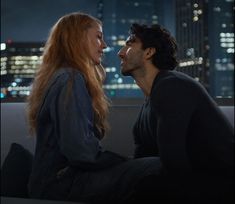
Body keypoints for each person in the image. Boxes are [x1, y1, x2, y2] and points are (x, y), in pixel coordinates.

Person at [27, 12, 165, 204]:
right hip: (62, 185)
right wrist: (125, 162)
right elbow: (82, 153)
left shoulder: (62, 76)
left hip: (58, 182)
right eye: (99, 37)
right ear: (77, 39)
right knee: (158, 167)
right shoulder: (70, 79)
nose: (105, 46)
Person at [118, 23, 234, 203]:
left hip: (219, 183)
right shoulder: (151, 99)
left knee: (145, 188)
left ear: (149, 52)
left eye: (130, 44)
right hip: (192, 180)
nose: (120, 52)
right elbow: (143, 160)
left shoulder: (172, 87)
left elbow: (174, 164)